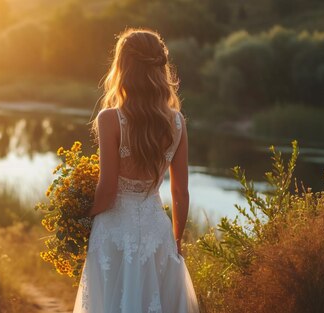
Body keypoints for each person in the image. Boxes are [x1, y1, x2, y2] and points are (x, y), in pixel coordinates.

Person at [73, 28, 199, 313]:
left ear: (123, 67)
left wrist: (80, 216)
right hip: (157, 232)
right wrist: (176, 241)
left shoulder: (110, 119)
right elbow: (180, 191)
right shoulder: (176, 122)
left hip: (114, 231)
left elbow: (107, 191)